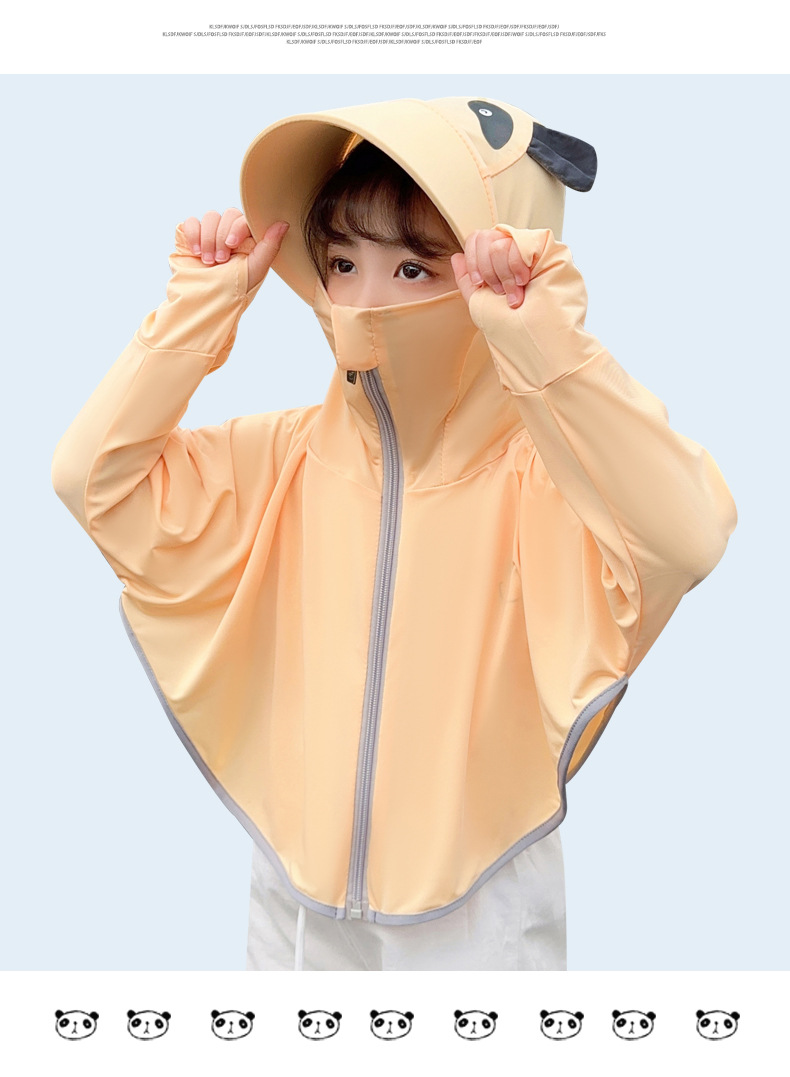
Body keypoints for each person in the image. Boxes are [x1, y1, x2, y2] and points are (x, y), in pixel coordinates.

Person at [52, 96, 737, 972]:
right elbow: (92, 479)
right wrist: (199, 309)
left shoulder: (548, 481)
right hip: (294, 887)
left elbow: (687, 537)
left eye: (413, 269)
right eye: (341, 262)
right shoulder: (283, 459)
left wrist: (548, 347)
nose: (364, 301)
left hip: (478, 895)